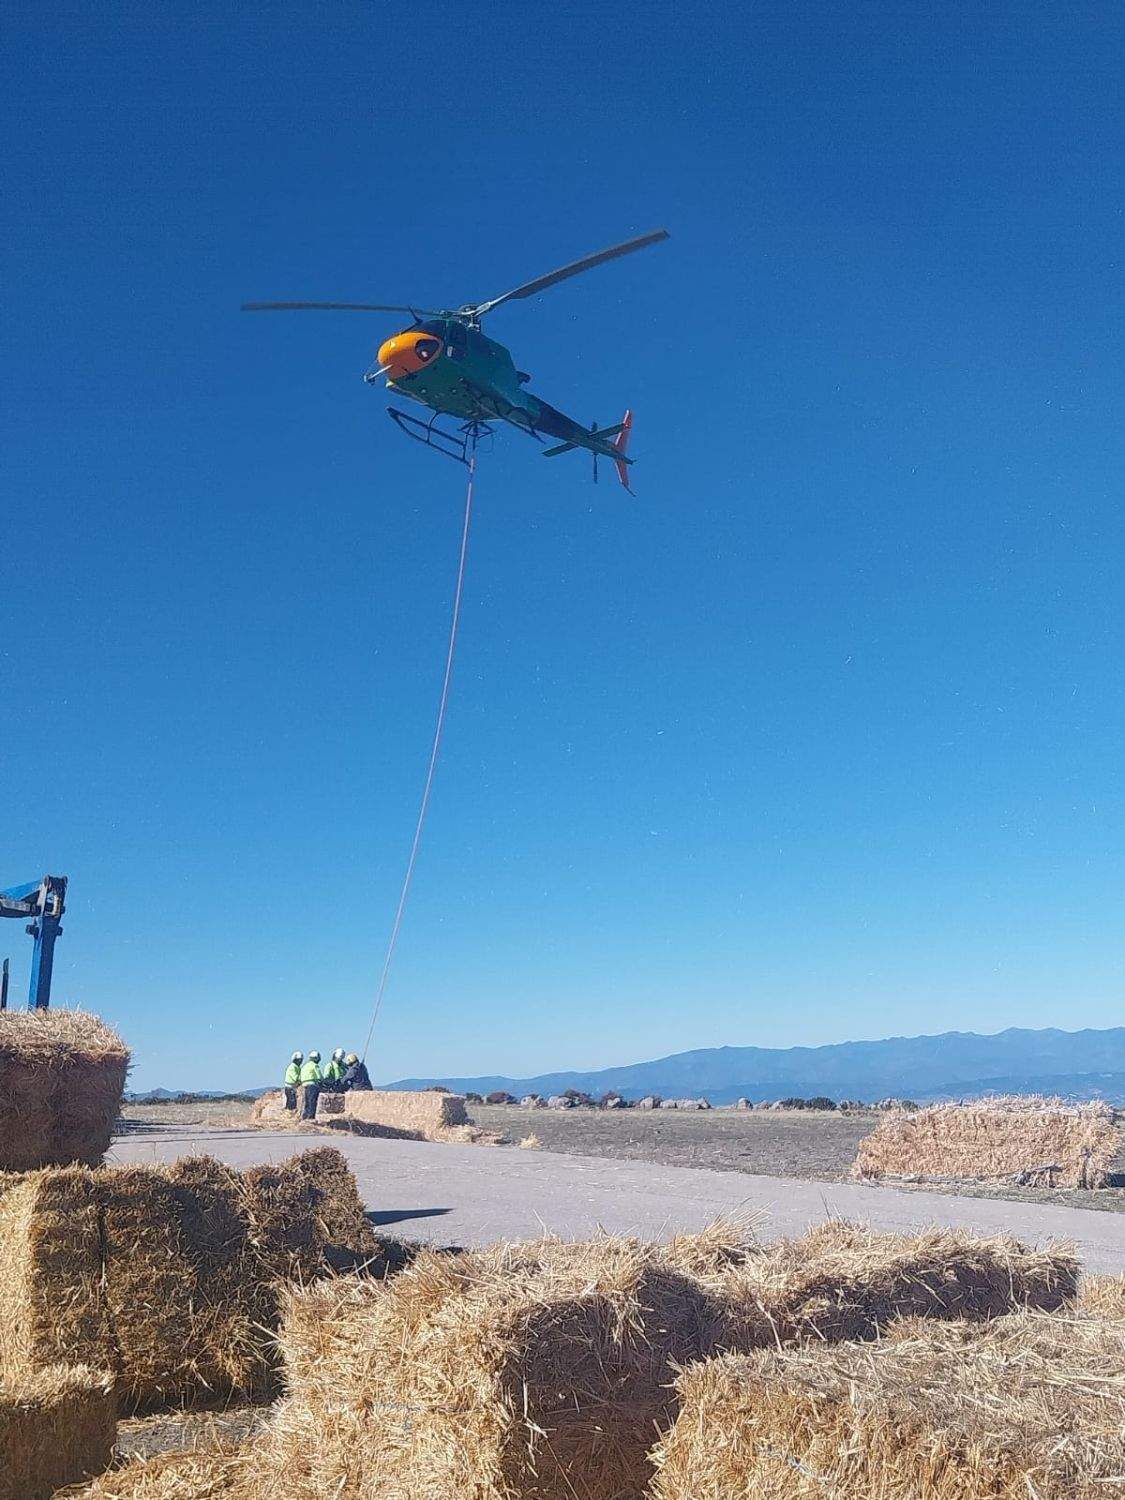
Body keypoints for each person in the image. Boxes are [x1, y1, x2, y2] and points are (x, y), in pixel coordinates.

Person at [299, 1049, 323, 1119]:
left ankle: (305, 1116)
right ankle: (311, 1117)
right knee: (312, 1102)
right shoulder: (315, 1065)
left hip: (305, 1085)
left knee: (307, 1102)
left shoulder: (305, 1066)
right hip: (312, 1085)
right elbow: (319, 1076)